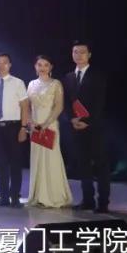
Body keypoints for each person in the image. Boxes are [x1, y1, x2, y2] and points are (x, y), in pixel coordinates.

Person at [63, 41, 109, 213]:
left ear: (89, 54)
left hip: (95, 128)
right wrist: (72, 119)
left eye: (82, 52)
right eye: (75, 52)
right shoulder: (69, 77)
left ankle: (103, 202)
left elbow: (100, 102)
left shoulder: (98, 76)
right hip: (76, 128)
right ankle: (87, 200)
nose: (78, 55)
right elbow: (67, 102)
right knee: (83, 166)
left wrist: (87, 121)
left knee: (101, 165)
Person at [0, 53, 29, 207]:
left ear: (9, 65)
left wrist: (23, 127)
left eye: (4, 62)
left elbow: (25, 107)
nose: (1, 65)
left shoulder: (18, 83)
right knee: (0, 163)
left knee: (15, 163)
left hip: (14, 127)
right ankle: (3, 196)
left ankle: (15, 196)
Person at [27, 55, 73, 209]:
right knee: (37, 159)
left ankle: (54, 196)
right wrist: (31, 123)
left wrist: (46, 124)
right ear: (35, 66)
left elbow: (59, 106)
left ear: (51, 67)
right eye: (39, 64)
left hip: (50, 124)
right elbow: (28, 107)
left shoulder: (56, 84)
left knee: (51, 159)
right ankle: (38, 196)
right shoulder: (31, 84)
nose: (42, 68)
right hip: (35, 126)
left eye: (46, 65)